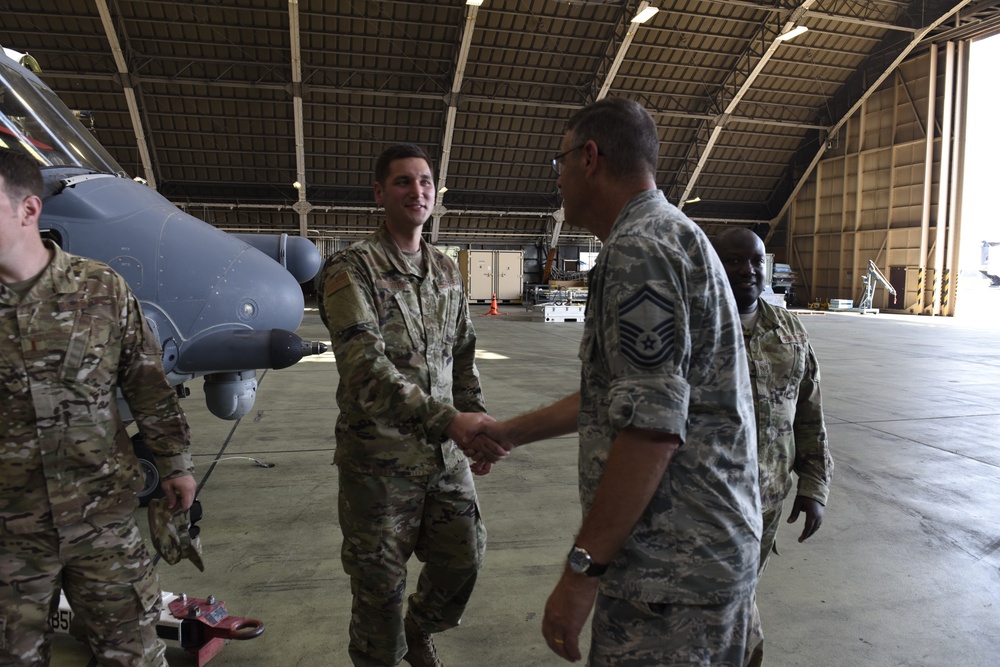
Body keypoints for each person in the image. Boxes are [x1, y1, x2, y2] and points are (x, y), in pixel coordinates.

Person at [466, 97, 762, 666]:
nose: (557, 179)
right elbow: (622, 396)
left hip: (670, 575)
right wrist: (510, 433)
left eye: (559, 162)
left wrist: (582, 571)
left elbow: (650, 432)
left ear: (590, 158)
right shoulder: (671, 233)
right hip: (699, 558)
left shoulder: (638, 250)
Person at [0, 148, 197, 666]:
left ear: (28, 210)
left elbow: (147, 383)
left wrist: (175, 464)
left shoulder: (100, 289)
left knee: (131, 654)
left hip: (102, 520)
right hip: (9, 533)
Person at [319, 144, 493, 667]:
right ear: (379, 193)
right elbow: (364, 370)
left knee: (464, 558)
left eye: (424, 182)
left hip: (446, 458)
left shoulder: (444, 270)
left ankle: (420, 629)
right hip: (380, 466)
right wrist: (451, 421)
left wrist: (477, 423)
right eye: (402, 182)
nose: (416, 191)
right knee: (379, 592)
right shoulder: (351, 270)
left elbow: (464, 353)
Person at [711, 227, 834, 667]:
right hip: (704, 503)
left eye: (756, 262)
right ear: (713, 263)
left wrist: (813, 486)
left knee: (739, 596)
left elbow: (809, 411)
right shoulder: (692, 328)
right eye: (735, 261)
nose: (748, 270)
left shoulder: (789, 330)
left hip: (766, 502)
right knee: (725, 601)